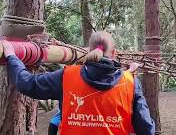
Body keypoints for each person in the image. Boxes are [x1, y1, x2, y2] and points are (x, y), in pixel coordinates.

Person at [2, 31, 155, 135]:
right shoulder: (131, 83)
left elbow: (27, 83)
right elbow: (146, 129)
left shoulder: (66, 76)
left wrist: (12, 57)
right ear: (114, 53)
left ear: (88, 50)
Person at [47, 62, 142, 135]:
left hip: (82, 106)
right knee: (55, 121)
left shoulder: (76, 73)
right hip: (76, 106)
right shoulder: (74, 75)